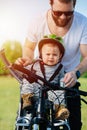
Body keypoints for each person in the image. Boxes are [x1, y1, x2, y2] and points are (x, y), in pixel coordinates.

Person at [15, 0, 87, 129]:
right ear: (51, 3)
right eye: (58, 12)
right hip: (39, 80)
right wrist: (26, 60)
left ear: (74, 4)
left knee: (74, 124)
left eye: (69, 13)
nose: (63, 17)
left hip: (67, 81)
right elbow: (29, 48)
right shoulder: (37, 21)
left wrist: (75, 73)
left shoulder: (83, 22)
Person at [21, 34, 69, 121]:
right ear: (41, 54)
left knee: (60, 92)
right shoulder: (35, 64)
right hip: (35, 91)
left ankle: (59, 111)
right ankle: (27, 99)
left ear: (60, 56)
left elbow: (62, 79)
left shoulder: (60, 68)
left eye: (54, 55)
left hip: (51, 91)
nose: (51, 57)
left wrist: (63, 83)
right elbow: (24, 71)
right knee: (27, 82)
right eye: (47, 54)